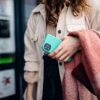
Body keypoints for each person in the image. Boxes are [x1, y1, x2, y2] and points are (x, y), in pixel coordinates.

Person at [23, 0, 100, 100]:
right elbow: (32, 57)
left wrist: (79, 41)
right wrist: (29, 94)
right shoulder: (36, 15)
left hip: (79, 89)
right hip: (46, 90)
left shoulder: (92, 5)